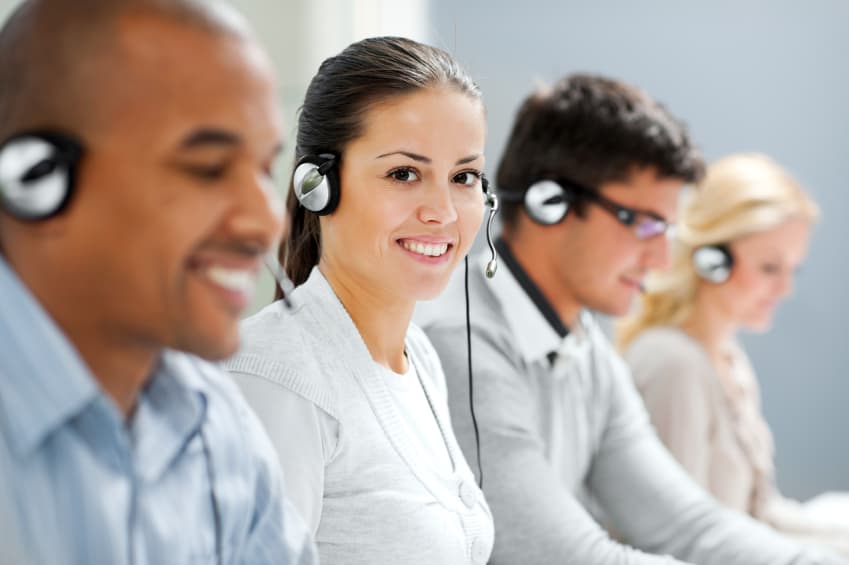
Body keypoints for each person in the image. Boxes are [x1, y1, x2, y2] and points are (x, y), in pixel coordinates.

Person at [416, 73, 849, 564]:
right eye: (643, 223)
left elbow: (688, 527)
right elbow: (561, 555)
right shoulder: (463, 345)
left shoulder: (585, 351)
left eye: (665, 229)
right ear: (550, 204)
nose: (663, 259)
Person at [0, 1, 315, 564]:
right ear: (34, 180)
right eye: (208, 168)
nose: (267, 219)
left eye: (265, 170)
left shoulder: (214, 419)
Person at [225, 36, 495, 565]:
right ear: (317, 186)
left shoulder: (419, 360)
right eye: (404, 174)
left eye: (463, 177)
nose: (442, 211)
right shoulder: (275, 378)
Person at [618, 153, 849, 555]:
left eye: (793, 269)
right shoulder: (673, 365)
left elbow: (759, 515)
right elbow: (677, 539)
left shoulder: (727, 358)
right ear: (712, 259)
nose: (785, 289)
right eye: (769, 268)